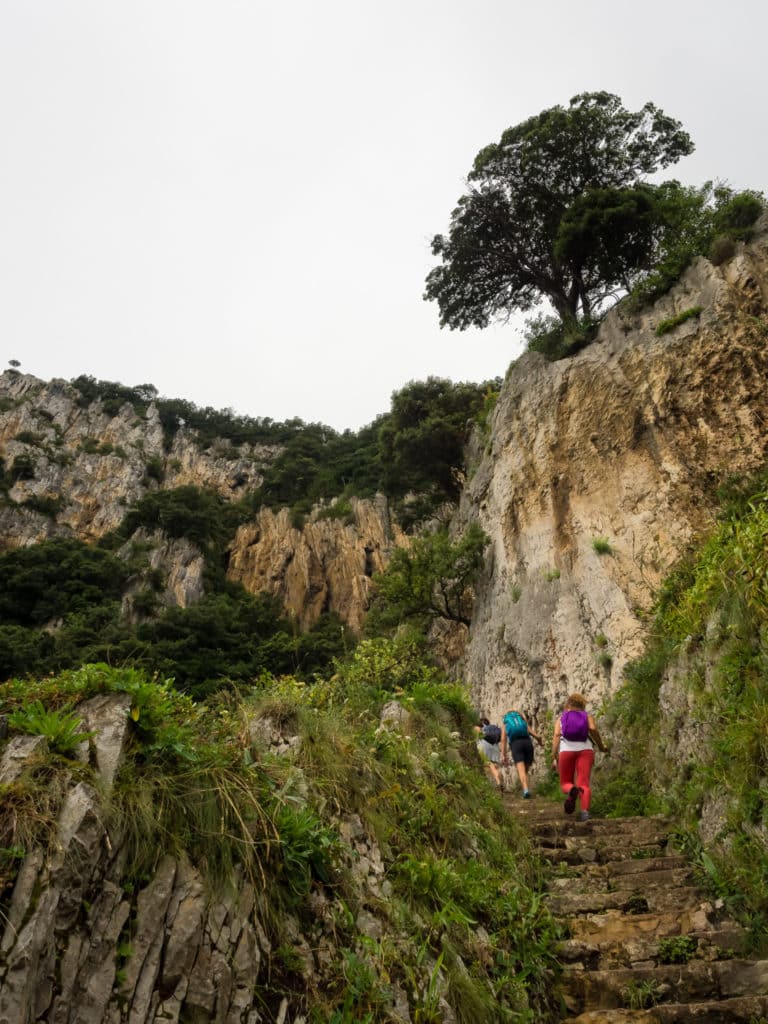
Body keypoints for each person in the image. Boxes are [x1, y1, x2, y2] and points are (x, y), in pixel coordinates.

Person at [551, 692, 609, 821]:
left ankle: (572, 790)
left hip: (566, 751)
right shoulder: (587, 716)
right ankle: (585, 813)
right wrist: (601, 746)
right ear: (582, 705)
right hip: (585, 751)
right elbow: (593, 729)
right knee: (584, 784)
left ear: (568, 705)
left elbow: (556, 737)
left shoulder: (561, 718)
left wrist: (554, 755)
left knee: (565, 782)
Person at [500, 708, 542, 799]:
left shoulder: (506, 722)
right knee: (526, 769)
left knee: (521, 770)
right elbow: (535, 735)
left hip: (516, 745)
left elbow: (503, 740)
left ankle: (526, 790)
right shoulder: (522, 721)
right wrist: (540, 742)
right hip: (527, 743)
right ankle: (525, 787)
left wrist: (503, 754)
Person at [475, 716, 503, 790]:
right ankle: (499, 782)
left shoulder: (478, 727)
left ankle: (485, 785)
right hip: (494, 747)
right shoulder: (492, 728)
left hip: (483, 745)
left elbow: (478, 735)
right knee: (494, 766)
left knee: (485, 766)